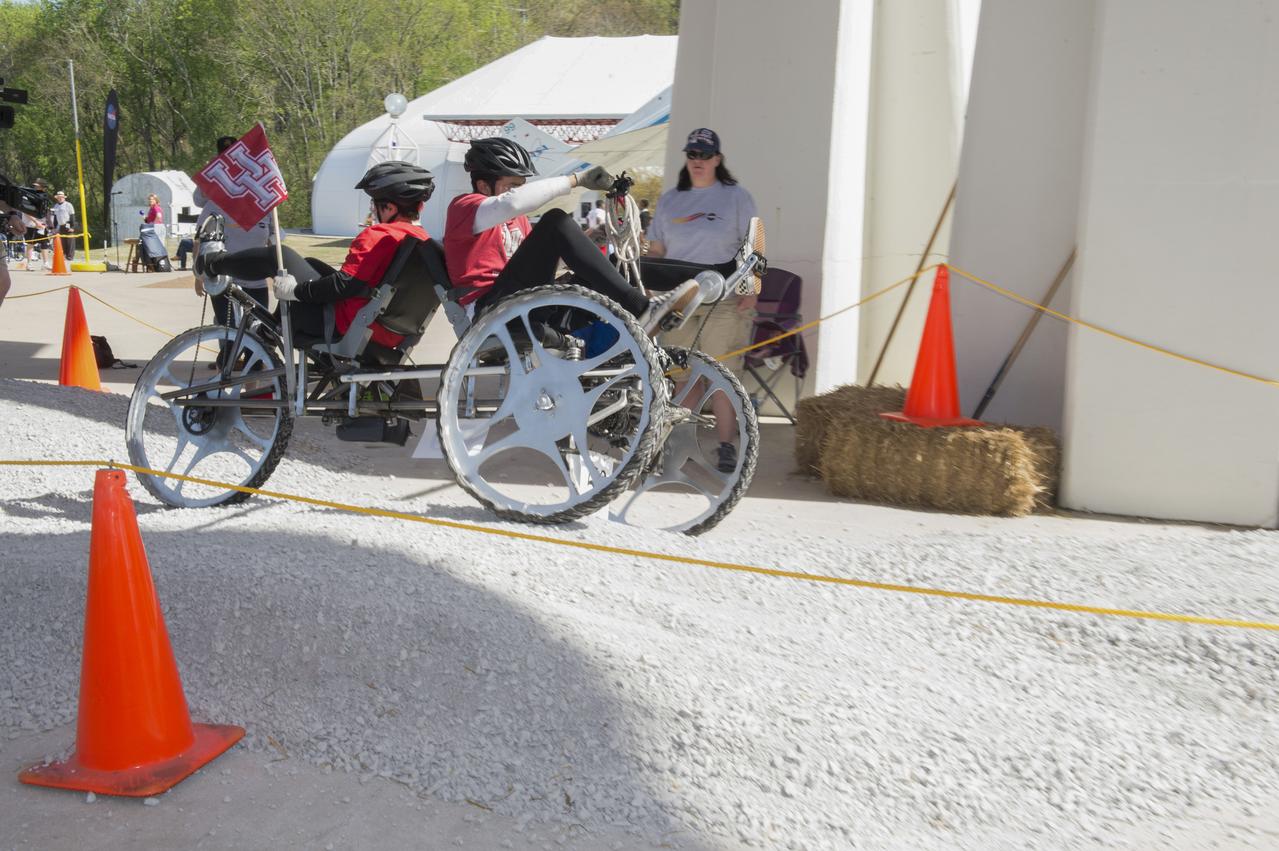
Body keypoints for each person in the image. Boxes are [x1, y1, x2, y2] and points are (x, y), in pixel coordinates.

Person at [443, 136, 699, 336]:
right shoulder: (465, 207)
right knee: (555, 221)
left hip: (523, 301)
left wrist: (592, 239)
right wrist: (576, 180)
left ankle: (708, 274)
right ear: (483, 185)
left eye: (520, 186)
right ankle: (642, 308)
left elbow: (544, 264)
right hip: (490, 310)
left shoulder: (516, 220)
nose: (517, 191)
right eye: (511, 186)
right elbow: (512, 203)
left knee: (613, 264)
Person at [197, 161, 435, 350]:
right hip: (389, 334)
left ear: (390, 208)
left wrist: (296, 292)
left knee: (279, 256)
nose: (373, 210)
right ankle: (270, 330)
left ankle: (212, 263)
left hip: (344, 326)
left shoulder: (381, 236)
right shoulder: (424, 242)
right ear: (420, 207)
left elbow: (345, 285)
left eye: (375, 204)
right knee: (311, 264)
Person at [643, 128, 759, 473]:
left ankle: (726, 446)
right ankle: (675, 447)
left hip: (722, 299)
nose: (698, 160)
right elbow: (658, 250)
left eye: (704, 155)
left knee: (721, 377)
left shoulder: (736, 197)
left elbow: (753, 245)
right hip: (679, 300)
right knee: (681, 377)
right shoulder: (670, 199)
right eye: (692, 154)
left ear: (717, 160)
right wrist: (647, 281)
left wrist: (752, 288)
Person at [194, 136, 279, 366]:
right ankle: (225, 378)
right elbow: (201, 236)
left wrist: (279, 271)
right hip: (226, 280)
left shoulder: (262, 201)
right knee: (231, 338)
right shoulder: (216, 199)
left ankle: (254, 382)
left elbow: (274, 240)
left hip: (256, 281)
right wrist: (199, 275)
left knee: (259, 340)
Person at [50, 190, 76, 261]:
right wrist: (54, 227)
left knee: (70, 240)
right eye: (59, 197)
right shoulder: (56, 206)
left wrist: (72, 226)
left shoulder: (68, 205)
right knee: (63, 241)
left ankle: (70, 256)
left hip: (68, 223)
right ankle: (64, 254)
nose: (60, 198)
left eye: (61, 197)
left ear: (64, 197)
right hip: (60, 225)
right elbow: (55, 218)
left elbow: (72, 216)